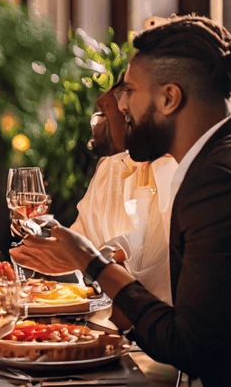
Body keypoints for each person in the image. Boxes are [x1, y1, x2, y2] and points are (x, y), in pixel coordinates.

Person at [13, 15, 231, 387]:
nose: (120, 105)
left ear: (170, 97)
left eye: (129, 91)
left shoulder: (219, 181)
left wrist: (93, 263)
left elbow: (187, 345)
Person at [70, 76, 178, 303]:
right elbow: (77, 247)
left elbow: (148, 258)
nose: (103, 104)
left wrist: (101, 258)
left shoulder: (186, 173)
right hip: (101, 328)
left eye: (104, 111)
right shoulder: (109, 169)